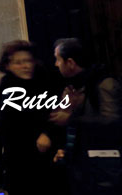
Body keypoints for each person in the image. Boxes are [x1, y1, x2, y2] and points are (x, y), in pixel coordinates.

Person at [0, 40, 60, 194]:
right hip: (14, 159)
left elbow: (57, 115)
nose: (25, 66)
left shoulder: (44, 84)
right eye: (18, 62)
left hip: (41, 157)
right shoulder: (5, 86)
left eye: (28, 61)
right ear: (7, 66)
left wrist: (48, 133)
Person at [49, 38, 122, 194]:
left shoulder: (103, 83)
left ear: (70, 63)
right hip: (83, 171)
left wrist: (71, 118)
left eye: (58, 59)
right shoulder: (74, 88)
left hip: (104, 172)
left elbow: (112, 123)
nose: (56, 64)